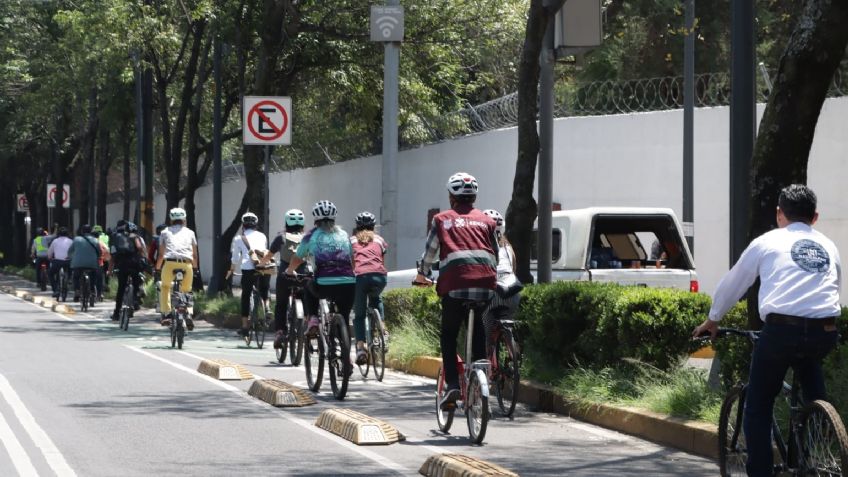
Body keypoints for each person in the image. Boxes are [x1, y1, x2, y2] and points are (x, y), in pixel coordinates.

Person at [692, 184, 841, 477]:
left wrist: (713, 318)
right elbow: (833, 287)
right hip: (825, 330)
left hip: (781, 331)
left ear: (779, 214)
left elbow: (735, 282)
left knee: (758, 405)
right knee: (809, 366)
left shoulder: (767, 241)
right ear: (815, 217)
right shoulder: (829, 245)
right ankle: (820, 426)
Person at [413, 172, 498, 411]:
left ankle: (452, 384)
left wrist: (422, 274)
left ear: (451, 197)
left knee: (449, 335)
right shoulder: (487, 221)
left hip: (455, 285)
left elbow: (430, 253)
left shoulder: (441, 220)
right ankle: (480, 377)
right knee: (479, 329)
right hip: (485, 284)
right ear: (474, 197)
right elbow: (495, 255)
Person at [285, 200, 356, 343]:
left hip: (323, 284)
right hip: (349, 284)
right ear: (334, 218)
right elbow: (352, 259)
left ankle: (313, 319)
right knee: (344, 315)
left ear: (316, 220)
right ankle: (345, 348)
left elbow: (298, 258)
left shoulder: (311, 236)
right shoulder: (344, 234)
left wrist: (289, 270)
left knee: (308, 284)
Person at [261, 209, 307, 349]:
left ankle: (280, 332)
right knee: (306, 300)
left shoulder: (280, 237)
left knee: (281, 304)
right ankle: (306, 327)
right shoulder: (307, 238)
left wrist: (261, 264)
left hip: (285, 275)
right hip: (303, 275)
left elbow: (269, 255)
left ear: (286, 222)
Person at [350, 211, 389, 365]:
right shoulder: (380, 240)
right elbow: (381, 261)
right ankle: (383, 330)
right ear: (374, 226)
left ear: (357, 227)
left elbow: (352, 263)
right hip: (380, 277)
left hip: (360, 277)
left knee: (359, 315)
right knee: (376, 298)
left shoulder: (352, 240)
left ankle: (361, 348)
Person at [481, 209, 521, 353]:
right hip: (512, 293)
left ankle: (487, 356)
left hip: (492, 293)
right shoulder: (508, 247)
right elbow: (513, 269)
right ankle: (512, 349)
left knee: (484, 332)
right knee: (507, 320)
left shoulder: (481, 246)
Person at [227, 212, 271, 338]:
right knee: (264, 289)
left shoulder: (238, 239)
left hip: (248, 269)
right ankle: (267, 308)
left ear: (243, 225)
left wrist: (231, 270)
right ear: (256, 225)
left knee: (246, 295)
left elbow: (235, 258)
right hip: (264, 266)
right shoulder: (262, 236)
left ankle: (245, 326)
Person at [155, 207, 199, 327]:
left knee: (165, 287)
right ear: (184, 219)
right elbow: (194, 255)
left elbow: (161, 255)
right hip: (186, 264)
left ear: (171, 219)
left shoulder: (164, 232)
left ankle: (167, 314)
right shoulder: (190, 233)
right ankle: (188, 313)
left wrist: (157, 268)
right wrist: (195, 268)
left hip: (169, 264)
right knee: (186, 290)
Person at [109, 222, 147, 321]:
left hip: (122, 265)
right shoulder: (135, 237)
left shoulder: (116, 238)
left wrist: (109, 270)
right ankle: (135, 302)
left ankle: (116, 313)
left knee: (121, 289)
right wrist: (142, 256)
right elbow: (139, 248)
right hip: (134, 264)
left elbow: (112, 257)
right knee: (136, 284)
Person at [68, 224, 103, 303]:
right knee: (93, 276)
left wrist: (71, 257)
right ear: (91, 231)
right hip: (92, 264)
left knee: (76, 276)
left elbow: (70, 251)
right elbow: (100, 253)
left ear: (82, 231)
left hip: (78, 263)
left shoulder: (76, 239)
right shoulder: (95, 240)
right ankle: (92, 291)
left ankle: (77, 290)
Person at [47, 227, 73, 299]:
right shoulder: (71, 241)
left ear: (58, 234)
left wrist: (50, 258)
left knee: (51, 274)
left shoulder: (55, 241)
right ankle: (69, 278)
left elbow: (49, 253)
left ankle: (55, 290)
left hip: (57, 261)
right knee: (70, 269)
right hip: (68, 261)